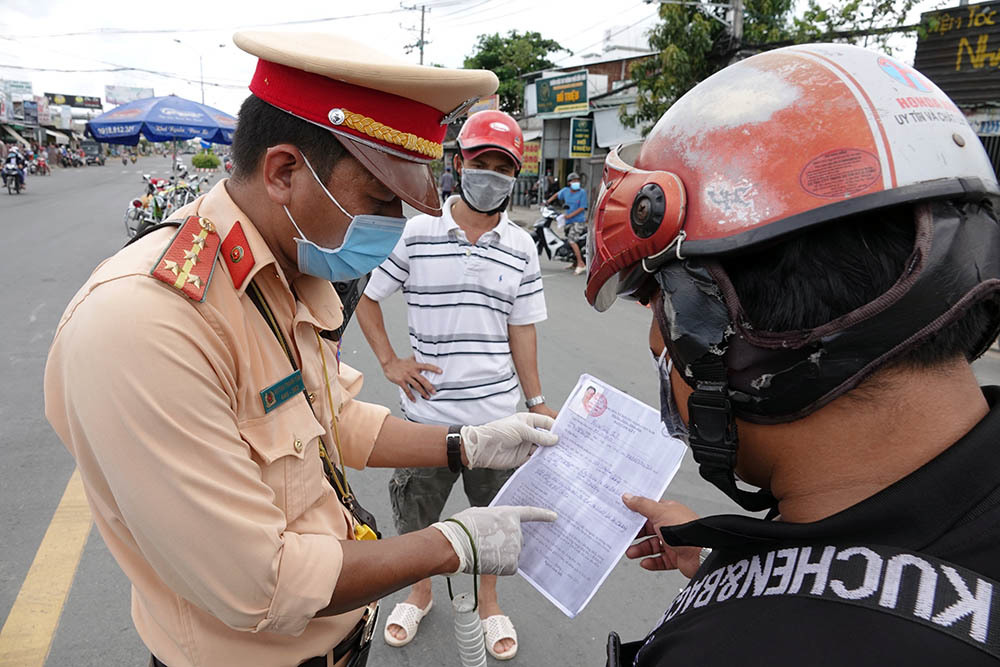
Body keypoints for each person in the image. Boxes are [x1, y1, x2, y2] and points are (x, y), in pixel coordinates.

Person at [44, 31, 562, 667]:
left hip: (343, 640)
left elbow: (330, 421)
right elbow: (261, 581)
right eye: (379, 202)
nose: (395, 226)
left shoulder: (285, 268)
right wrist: (450, 543)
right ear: (284, 171)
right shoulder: (148, 322)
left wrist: (464, 443)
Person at [583, 43, 1000, 666]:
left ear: (714, 335)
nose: (657, 347)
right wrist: (730, 565)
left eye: (656, 309)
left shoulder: (721, 651)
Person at [356, 109, 556, 660]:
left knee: (492, 519)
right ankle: (419, 592)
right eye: (481, 162)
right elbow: (369, 298)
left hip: (498, 418)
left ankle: (489, 602)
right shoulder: (417, 231)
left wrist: (537, 402)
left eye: (502, 166)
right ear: (460, 164)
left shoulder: (521, 246)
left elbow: (522, 330)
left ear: (515, 175)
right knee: (416, 513)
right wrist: (391, 361)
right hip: (426, 421)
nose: (490, 174)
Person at [546, 172, 587, 274]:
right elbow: (556, 195)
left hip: (578, 221)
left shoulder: (582, 192)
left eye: (577, 180)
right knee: (569, 243)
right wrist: (548, 201)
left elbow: (582, 208)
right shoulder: (565, 191)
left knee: (572, 240)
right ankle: (574, 263)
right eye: (574, 181)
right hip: (568, 221)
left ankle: (581, 263)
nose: (576, 182)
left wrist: (570, 215)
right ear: (569, 183)